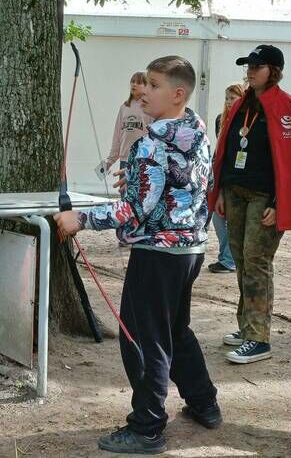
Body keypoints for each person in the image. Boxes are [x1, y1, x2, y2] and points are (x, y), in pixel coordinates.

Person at [54, 56, 219, 455]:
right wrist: (139, 178)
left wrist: (80, 219)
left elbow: (134, 209)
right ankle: (204, 403)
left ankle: (146, 428)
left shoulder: (151, 142)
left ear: (177, 94)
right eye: (144, 83)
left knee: (144, 340)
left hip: (157, 252)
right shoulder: (196, 130)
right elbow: (193, 183)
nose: (143, 92)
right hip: (189, 249)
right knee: (175, 330)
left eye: (154, 85)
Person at [208, 45, 291, 364]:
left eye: (256, 66)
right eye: (248, 66)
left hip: (264, 198)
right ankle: (247, 327)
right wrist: (220, 191)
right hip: (235, 192)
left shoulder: (287, 107)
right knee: (242, 261)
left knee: (257, 261)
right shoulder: (241, 104)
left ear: (273, 71)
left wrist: (278, 201)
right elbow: (227, 150)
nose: (250, 71)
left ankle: (259, 339)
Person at [208, 83, 245, 274]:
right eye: (227, 98)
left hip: (236, 176)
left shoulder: (245, 121)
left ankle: (229, 260)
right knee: (218, 217)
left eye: (233, 98)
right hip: (220, 173)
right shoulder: (221, 119)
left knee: (228, 219)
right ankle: (227, 257)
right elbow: (220, 149)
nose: (229, 102)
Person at [100, 71, 152, 173]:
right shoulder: (124, 107)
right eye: (132, 82)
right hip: (125, 160)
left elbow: (154, 135)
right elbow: (117, 135)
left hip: (142, 159)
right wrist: (110, 161)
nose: (134, 84)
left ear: (147, 86)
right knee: (123, 184)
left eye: (139, 82)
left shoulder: (149, 107)